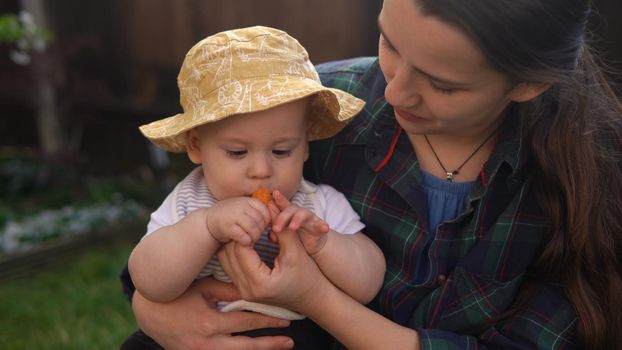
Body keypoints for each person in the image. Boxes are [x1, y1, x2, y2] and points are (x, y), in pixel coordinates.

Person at [121, 0, 622, 348]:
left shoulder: (585, 178)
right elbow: (150, 268)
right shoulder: (304, 108)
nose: (396, 92)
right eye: (390, 42)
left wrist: (316, 299)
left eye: (442, 85)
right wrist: (156, 312)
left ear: (526, 84)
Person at [121, 26, 385, 349]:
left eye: (281, 151)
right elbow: (147, 280)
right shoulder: (190, 202)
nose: (261, 171)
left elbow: (369, 281)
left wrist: (324, 244)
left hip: (289, 335)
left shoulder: (316, 205)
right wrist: (206, 226)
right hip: (194, 334)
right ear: (196, 147)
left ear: (305, 147)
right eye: (237, 152)